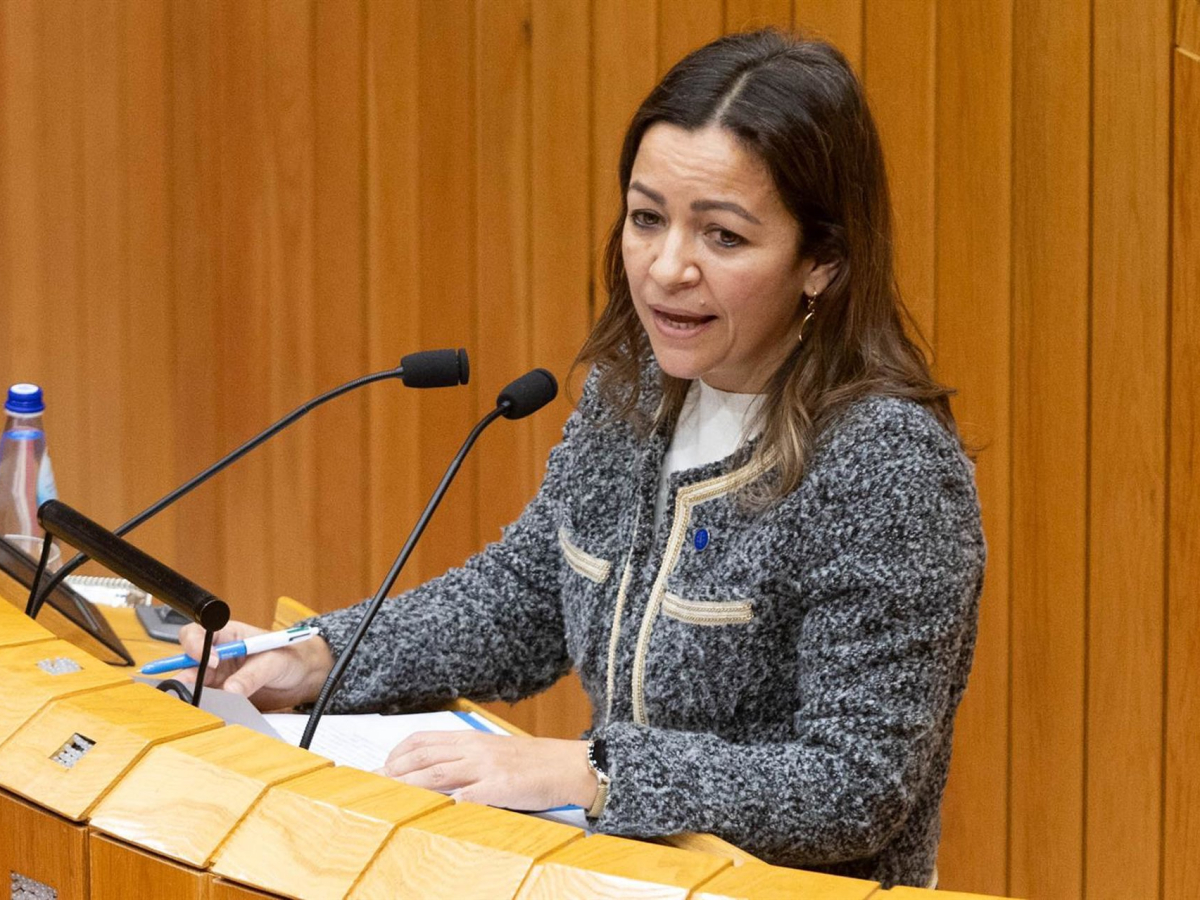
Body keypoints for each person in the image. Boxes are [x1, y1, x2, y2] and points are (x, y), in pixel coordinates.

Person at [179, 29, 984, 889]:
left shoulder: (886, 466)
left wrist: (595, 771)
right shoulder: (632, 389)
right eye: (647, 219)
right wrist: (324, 656)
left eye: (722, 237)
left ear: (823, 260)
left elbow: (856, 785)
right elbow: (527, 598)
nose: (665, 269)